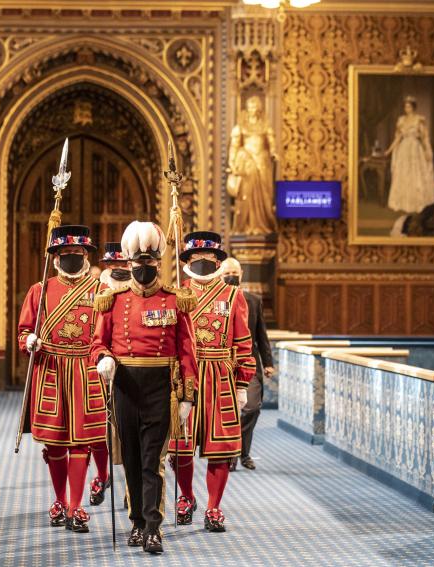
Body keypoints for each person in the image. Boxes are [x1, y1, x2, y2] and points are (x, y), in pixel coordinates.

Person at [92, 221, 197, 554]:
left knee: (154, 461)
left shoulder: (175, 301)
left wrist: (187, 396)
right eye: (138, 265)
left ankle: (153, 527)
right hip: (124, 387)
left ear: (158, 264)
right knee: (134, 460)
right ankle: (136, 522)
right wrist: (104, 359)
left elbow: (187, 350)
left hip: (160, 390)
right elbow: (97, 343)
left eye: (150, 265)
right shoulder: (113, 300)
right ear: (129, 264)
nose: (144, 270)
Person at [17, 225, 106, 533]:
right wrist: (29, 341)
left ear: (86, 255)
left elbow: (105, 333)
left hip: (86, 371)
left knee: (82, 442)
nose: (71, 259)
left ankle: (76, 504)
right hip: (51, 370)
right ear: (55, 257)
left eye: (78, 254)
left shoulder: (99, 291)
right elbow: (25, 330)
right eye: (65, 254)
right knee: (55, 443)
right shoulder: (39, 290)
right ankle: (58, 499)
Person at [168, 231, 255, 533]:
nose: (202, 263)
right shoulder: (176, 293)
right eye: (196, 259)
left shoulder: (234, 296)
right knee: (179, 445)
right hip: (186, 376)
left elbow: (244, 342)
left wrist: (243, 382)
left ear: (217, 261)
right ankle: (187, 497)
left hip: (220, 376)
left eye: (208, 259)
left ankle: (213, 507)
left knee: (220, 447)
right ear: (188, 261)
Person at [86, 242, 131, 507]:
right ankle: (102, 475)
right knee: (98, 428)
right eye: (113, 265)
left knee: (128, 430)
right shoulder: (96, 290)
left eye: (123, 264)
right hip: (98, 365)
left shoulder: (140, 289)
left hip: (130, 366)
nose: (119, 269)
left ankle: (130, 486)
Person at [220, 257, 274, 471]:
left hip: (248, 363)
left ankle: (241, 451)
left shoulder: (253, 300)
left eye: (234, 272)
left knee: (251, 407)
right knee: (227, 412)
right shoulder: (212, 301)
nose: (231, 276)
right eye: (226, 273)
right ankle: (229, 453)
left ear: (241, 274)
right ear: (219, 275)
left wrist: (268, 362)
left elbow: (262, 335)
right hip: (221, 365)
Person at [227, 96, 278, 235]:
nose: (252, 110)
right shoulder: (240, 127)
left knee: (264, 195)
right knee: (246, 193)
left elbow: (271, 142)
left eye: (255, 107)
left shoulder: (265, 125)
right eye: (250, 107)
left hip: (262, 162)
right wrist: (232, 162)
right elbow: (234, 146)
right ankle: (245, 225)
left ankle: (261, 224)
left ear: (259, 109)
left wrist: (273, 153)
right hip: (246, 163)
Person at [386, 95, 434, 214]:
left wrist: (427, 151)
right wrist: (389, 150)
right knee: (403, 174)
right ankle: (402, 202)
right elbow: (398, 138)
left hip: (415, 149)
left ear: (413, 107)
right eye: (405, 107)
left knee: (415, 174)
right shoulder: (401, 120)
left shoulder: (419, 119)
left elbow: (424, 138)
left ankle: (417, 203)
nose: (407, 109)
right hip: (404, 149)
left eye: (409, 107)